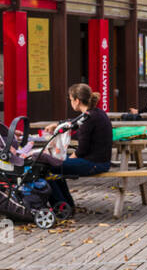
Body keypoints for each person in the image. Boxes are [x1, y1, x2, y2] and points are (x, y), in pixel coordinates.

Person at [43, 83, 113, 213]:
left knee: (46, 167)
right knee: (55, 165)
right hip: (100, 161)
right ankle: (66, 205)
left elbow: (82, 150)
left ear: (77, 100)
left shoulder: (88, 118)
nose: (70, 102)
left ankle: (62, 207)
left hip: (95, 163)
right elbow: (73, 122)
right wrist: (56, 124)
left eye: (70, 99)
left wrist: (70, 158)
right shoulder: (95, 113)